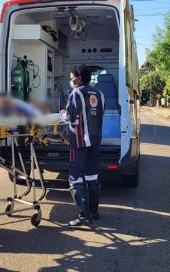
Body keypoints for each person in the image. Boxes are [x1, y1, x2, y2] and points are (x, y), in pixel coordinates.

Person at [61, 64, 105, 226]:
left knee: (74, 175)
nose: (71, 81)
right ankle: (94, 212)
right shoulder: (100, 94)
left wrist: (63, 113)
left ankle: (83, 216)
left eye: (72, 78)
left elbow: (70, 118)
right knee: (92, 175)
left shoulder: (76, 92)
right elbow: (100, 114)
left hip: (79, 140)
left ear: (79, 78)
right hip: (95, 140)